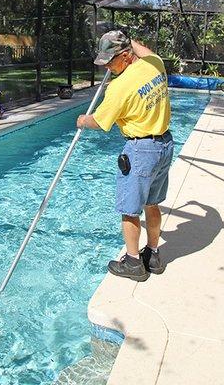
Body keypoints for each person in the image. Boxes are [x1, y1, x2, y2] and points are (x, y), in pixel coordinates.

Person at [76, 30, 174, 282]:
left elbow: (100, 122)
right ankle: (153, 254)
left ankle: (133, 263)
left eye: (111, 60)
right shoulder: (155, 65)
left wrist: (83, 120)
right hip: (164, 145)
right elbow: (147, 52)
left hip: (141, 150)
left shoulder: (119, 87)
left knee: (130, 210)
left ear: (127, 56)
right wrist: (129, 39)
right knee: (153, 204)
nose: (108, 66)